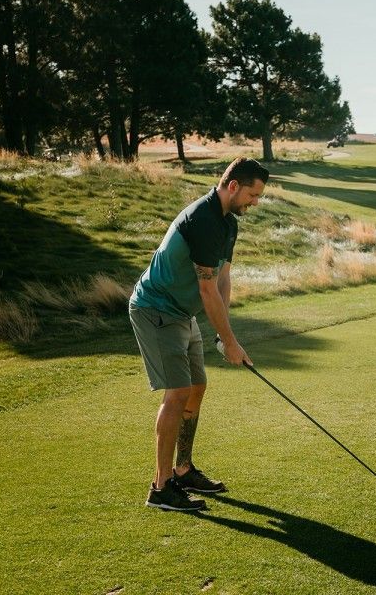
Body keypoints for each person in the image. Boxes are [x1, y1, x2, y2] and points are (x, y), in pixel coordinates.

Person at [129, 157, 269, 511]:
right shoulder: (203, 218)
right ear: (233, 185)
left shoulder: (228, 223)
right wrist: (232, 342)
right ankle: (161, 488)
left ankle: (183, 468)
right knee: (177, 393)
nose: (256, 202)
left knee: (197, 386)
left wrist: (226, 337)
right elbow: (206, 289)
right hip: (157, 308)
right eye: (253, 194)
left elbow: (222, 278)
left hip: (181, 312)